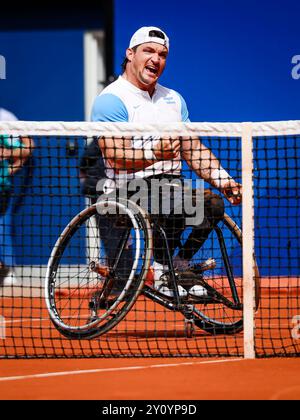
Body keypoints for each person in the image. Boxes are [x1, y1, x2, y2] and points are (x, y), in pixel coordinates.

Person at [91, 26, 241, 297]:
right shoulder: (111, 100)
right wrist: (153, 155)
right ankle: (162, 271)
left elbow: (193, 149)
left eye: (162, 54)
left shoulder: (174, 100)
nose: (156, 59)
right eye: (148, 51)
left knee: (212, 203)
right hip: (123, 194)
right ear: (130, 54)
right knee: (168, 197)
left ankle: (178, 267)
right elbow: (114, 153)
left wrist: (225, 181)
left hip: (171, 188)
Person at [0, 108, 34, 286]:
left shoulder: (6, 117)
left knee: (3, 227)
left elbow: (27, 148)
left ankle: (8, 270)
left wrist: (7, 167)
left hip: (2, 189)